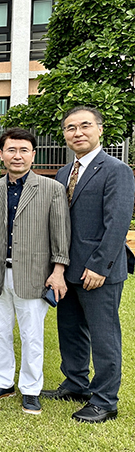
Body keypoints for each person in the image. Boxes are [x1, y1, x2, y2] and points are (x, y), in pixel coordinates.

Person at [42, 106, 135, 423]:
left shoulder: (116, 170)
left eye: (84, 126)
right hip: (66, 271)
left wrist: (100, 266)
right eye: (70, 128)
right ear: (64, 135)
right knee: (70, 331)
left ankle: (105, 400)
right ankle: (76, 384)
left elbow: (118, 223)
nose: (77, 132)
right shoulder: (63, 173)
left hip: (98, 273)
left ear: (99, 130)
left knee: (104, 336)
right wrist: (56, 267)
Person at [0, 128, 70, 415]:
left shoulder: (51, 189)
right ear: (1, 154)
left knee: (32, 334)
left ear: (33, 154)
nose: (17, 155)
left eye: (23, 150)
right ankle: (2, 382)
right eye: (11, 150)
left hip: (35, 274)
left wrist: (58, 270)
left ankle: (31, 389)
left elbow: (60, 234)